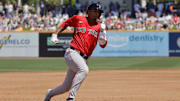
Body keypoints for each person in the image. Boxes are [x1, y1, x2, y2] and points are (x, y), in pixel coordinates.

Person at [43, 3, 108, 101]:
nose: (97, 14)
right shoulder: (79, 19)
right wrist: (55, 34)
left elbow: (102, 45)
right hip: (72, 53)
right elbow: (65, 24)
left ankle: (49, 94)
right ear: (89, 12)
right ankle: (71, 98)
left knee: (65, 87)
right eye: (95, 11)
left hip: (84, 58)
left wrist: (103, 35)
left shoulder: (100, 26)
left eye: (99, 12)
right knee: (84, 70)